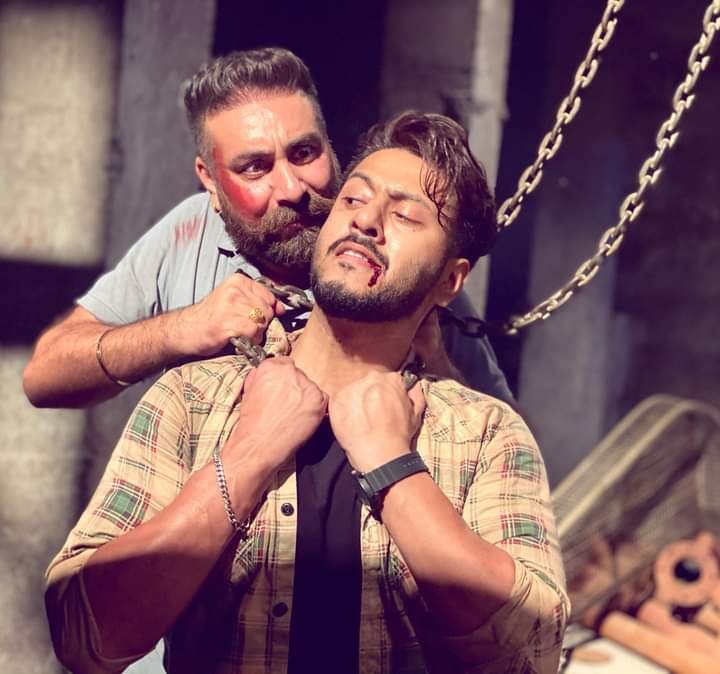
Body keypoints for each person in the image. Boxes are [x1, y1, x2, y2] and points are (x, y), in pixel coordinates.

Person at [46, 111, 568, 674]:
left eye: (404, 215)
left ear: (450, 280)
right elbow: (83, 635)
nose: (366, 220)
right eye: (354, 199)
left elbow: (530, 653)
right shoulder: (194, 399)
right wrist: (246, 456)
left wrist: (394, 468)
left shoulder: (484, 433)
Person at [22, 47, 512, 409]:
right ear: (210, 182)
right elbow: (45, 377)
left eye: (305, 153)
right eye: (255, 167)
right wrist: (183, 329)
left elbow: (511, 449)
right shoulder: (193, 230)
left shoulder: (387, 249)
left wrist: (439, 368)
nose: (293, 188)